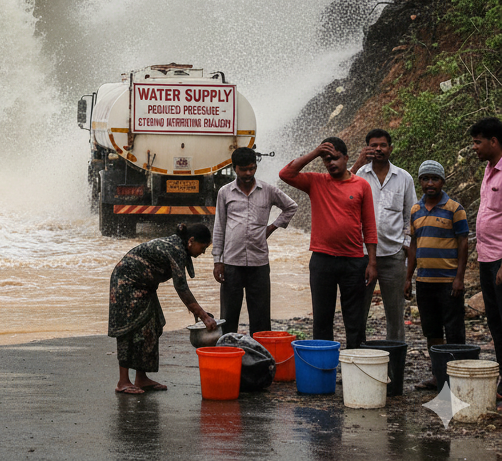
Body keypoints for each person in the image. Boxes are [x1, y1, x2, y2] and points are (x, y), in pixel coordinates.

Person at [279, 137, 377, 349]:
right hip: (322, 261)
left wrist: (372, 262)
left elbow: (369, 226)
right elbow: (285, 174)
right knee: (322, 319)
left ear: (346, 158)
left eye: (335, 158)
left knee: (355, 319)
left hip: (353, 261)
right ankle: (324, 367)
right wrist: (315, 153)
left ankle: (356, 363)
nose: (331, 163)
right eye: (326, 159)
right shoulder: (316, 181)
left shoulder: (362, 186)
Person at [108, 222, 217, 394]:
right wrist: (204, 316)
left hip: (145, 287)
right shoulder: (176, 250)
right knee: (129, 330)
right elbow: (182, 288)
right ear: (191, 241)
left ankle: (141, 379)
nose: (202, 252)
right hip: (126, 283)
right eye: (202, 248)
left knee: (151, 326)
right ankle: (123, 381)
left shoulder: (181, 248)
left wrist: (199, 313)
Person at [212, 146, 298, 335]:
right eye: (244, 169)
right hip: (231, 262)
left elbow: (291, 207)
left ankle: (260, 358)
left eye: (252, 168)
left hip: (259, 263)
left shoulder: (267, 190)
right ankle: (229, 355)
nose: (248, 173)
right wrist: (218, 261)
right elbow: (219, 227)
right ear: (235, 168)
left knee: (260, 318)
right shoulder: (224, 192)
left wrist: (272, 227)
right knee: (228, 316)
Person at [404, 159, 469, 389]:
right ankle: (438, 376)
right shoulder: (415, 210)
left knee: (454, 331)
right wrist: (408, 277)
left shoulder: (455, 209)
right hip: (424, 282)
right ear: (420, 181)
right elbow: (413, 245)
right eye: (425, 179)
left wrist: (459, 278)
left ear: (442, 181)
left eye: (434, 179)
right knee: (431, 331)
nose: (430, 183)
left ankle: (457, 378)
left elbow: (463, 244)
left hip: (448, 282)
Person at [350, 128, 417, 342]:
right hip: (361, 254)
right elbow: (342, 194)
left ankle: (395, 360)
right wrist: (358, 162)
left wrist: (405, 245)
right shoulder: (358, 175)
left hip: (393, 255)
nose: (378, 149)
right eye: (373, 145)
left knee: (395, 314)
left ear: (391, 148)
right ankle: (357, 356)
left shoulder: (403, 177)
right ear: (367, 148)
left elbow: (410, 214)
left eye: (383, 145)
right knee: (358, 311)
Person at [469, 116, 502, 397]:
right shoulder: (489, 170)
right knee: (495, 320)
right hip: (487, 258)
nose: (475, 148)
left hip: (501, 261)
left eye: (478, 142)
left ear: (494, 141)